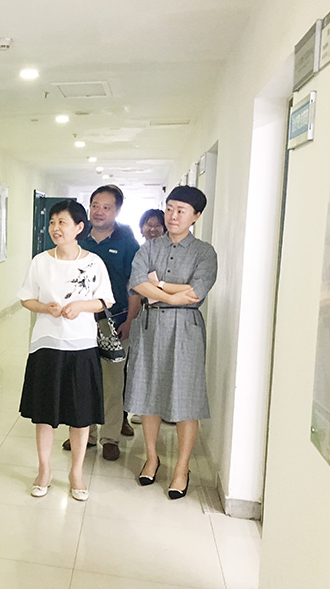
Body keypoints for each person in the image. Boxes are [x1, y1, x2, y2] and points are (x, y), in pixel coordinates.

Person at [125, 186, 218, 499]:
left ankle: (182, 468)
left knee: (186, 398)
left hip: (186, 329)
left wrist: (160, 286)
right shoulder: (149, 247)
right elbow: (137, 283)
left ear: (196, 216)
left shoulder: (204, 252)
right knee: (148, 392)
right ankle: (152, 458)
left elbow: (197, 291)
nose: (173, 216)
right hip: (149, 326)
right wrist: (174, 293)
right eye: (169, 208)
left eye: (181, 210)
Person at [19, 200, 114, 500]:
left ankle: (76, 473)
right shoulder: (40, 261)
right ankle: (44, 470)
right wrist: (43, 307)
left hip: (81, 346)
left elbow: (105, 300)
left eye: (62, 222)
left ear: (79, 227)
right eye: (52, 222)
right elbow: (26, 298)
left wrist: (80, 306)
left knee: (80, 414)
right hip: (46, 345)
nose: (55, 228)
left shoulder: (93, 262)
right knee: (44, 413)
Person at [62, 185, 140, 461]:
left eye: (106, 207)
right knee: (81, 379)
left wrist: (129, 320)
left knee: (112, 382)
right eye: (95, 205)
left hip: (114, 321)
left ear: (117, 210)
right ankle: (86, 433)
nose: (99, 211)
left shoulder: (127, 243)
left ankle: (110, 437)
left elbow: (135, 286)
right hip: (79, 321)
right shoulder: (77, 237)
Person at [128, 208, 167, 426]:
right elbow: (136, 288)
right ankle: (141, 409)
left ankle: (164, 410)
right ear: (141, 227)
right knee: (141, 365)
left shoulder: (169, 253)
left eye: (157, 225)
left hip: (167, 314)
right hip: (143, 314)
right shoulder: (139, 252)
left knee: (164, 365)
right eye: (148, 224)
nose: (152, 229)